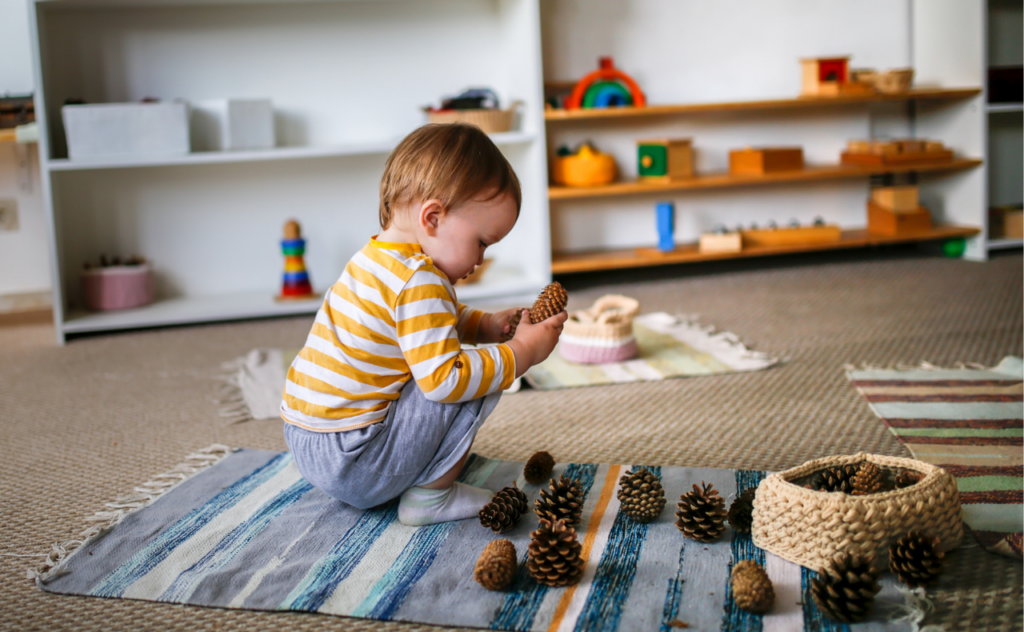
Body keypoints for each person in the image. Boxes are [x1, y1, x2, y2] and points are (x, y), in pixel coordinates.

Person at [281, 123, 567, 526]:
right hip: (355, 462)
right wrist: (521, 353)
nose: (481, 259)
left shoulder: (376, 258)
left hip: (307, 440)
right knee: (475, 372)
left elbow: (424, 323)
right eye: (482, 242)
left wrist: (484, 325)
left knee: (451, 356)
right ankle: (430, 498)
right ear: (432, 217)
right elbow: (445, 381)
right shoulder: (421, 280)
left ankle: (412, 469)